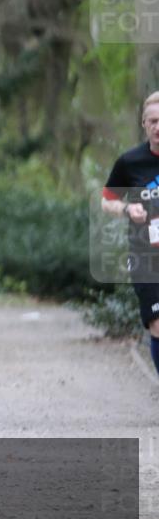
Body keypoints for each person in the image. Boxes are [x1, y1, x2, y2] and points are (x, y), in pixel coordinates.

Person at [102, 91, 159, 375]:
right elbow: (106, 200)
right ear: (144, 124)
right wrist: (127, 209)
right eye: (153, 121)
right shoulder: (130, 162)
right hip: (146, 255)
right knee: (158, 323)